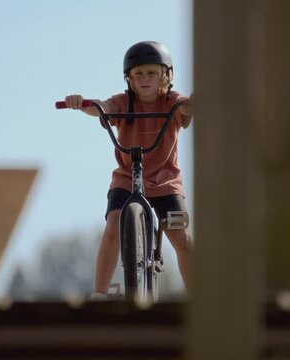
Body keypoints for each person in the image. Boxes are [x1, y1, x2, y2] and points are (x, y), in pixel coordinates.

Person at [63, 41, 193, 299]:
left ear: (165, 76)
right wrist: (82, 103)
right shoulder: (124, 103)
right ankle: (99, 294)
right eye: (138, 74)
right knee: (113, 224)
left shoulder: (172, 102)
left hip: (165, 181)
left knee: (181, 238)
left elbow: (188, 107)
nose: (145, 79)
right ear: (129, 79)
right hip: (127, 177)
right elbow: (103, 107)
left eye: (151, 73)